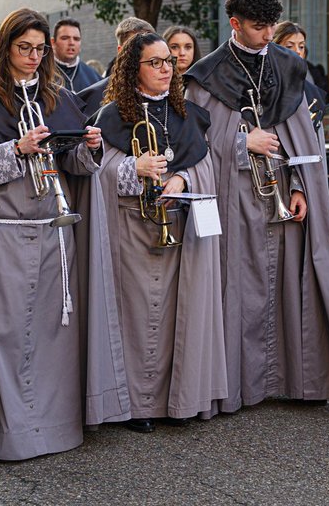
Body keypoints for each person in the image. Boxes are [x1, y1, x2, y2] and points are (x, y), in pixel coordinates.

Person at [0, 8, 130, 461]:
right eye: (25, 48)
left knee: (51, 338)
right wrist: (16, 150)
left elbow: (74, 170)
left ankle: (53, 425)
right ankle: (10, 432)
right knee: (6, 333)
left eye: (41, 50)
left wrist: (89, 148)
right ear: (6, 49)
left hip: (54, 233)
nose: (34, 57)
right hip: (5, 234)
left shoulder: (59, 98)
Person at [183, 0, 329, 412]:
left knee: (293, 284)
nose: (268, 35)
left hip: (285, 194)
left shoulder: (289, 67)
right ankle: (237, 385)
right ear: (234, 24)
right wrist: (241, 141)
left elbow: (303, 138)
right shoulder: (208, 75)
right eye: (257, 27)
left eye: (271, 26)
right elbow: (195, 145)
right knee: (239, 287)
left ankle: (295, 378)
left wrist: (302, 185)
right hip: (235, 195)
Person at [95, 32, 226, 432]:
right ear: (134, 68)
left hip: (179, 229)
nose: (166, 68)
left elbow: (205, 166)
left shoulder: (188, 113)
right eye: (155, 62)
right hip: (131, 228)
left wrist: (183, 179)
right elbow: (96, 172)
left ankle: (178, 399)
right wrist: (132, 170)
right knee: (132, 315)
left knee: (176, 315)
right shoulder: (112, 116)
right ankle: (134, 406)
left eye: (169, 61)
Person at [77, 16, 154, 117]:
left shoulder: (164, 88)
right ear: (120, 50)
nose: (144, 52)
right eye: (136, 47)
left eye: (150, 46)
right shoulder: (94, 96)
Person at [273, 21, 327, 125]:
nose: (297, 51)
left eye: (301, 46)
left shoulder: (313, 91)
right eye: (289, 46)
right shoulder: (263, 84)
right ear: (274, 48)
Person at [51, 18, 104, 91]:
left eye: (76, 39)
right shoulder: (42, 73)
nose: (71, 43)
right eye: (65, 38)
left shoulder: (94, 78)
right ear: (53, 42)